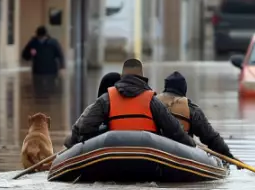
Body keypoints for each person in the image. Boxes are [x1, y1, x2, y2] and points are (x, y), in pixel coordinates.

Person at [64, 59, 194, 148]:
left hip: (111, 153)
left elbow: (85, 127)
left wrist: (89, 142)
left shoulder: (106, 99)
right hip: (148, 155)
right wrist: (191, 145)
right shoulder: (152, 100)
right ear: (143, 78)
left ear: (122, 77)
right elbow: (174, 130)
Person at [158, 71, 238, 162]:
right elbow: (211, 137)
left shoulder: (154, 103)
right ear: (184, 89)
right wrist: (227, 154)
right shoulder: (192, 109)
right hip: (182, 155)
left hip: (155, 151)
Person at [21, 26, 65, 93]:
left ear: (46, 36)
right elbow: (25, 55)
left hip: (50, 71)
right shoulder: (33, 43)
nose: (41, 39)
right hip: (38, 71)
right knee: (38, 89)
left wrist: (62, 67)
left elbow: (60, 55)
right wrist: (30, 54)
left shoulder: (53, 43)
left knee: (50, 88)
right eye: (40, 37)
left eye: (42, 37)